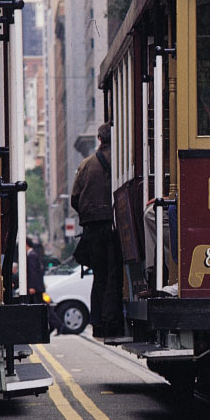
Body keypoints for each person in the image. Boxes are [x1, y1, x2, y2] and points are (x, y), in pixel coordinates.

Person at [71, 123, 123, 339]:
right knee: (114, 275)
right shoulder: (122, 161)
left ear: (100, 139)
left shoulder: (86, 164)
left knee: (99, 276)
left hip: (92, 229)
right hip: (115, 226)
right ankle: (112, 323)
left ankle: (98, 324)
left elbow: (75, 198)